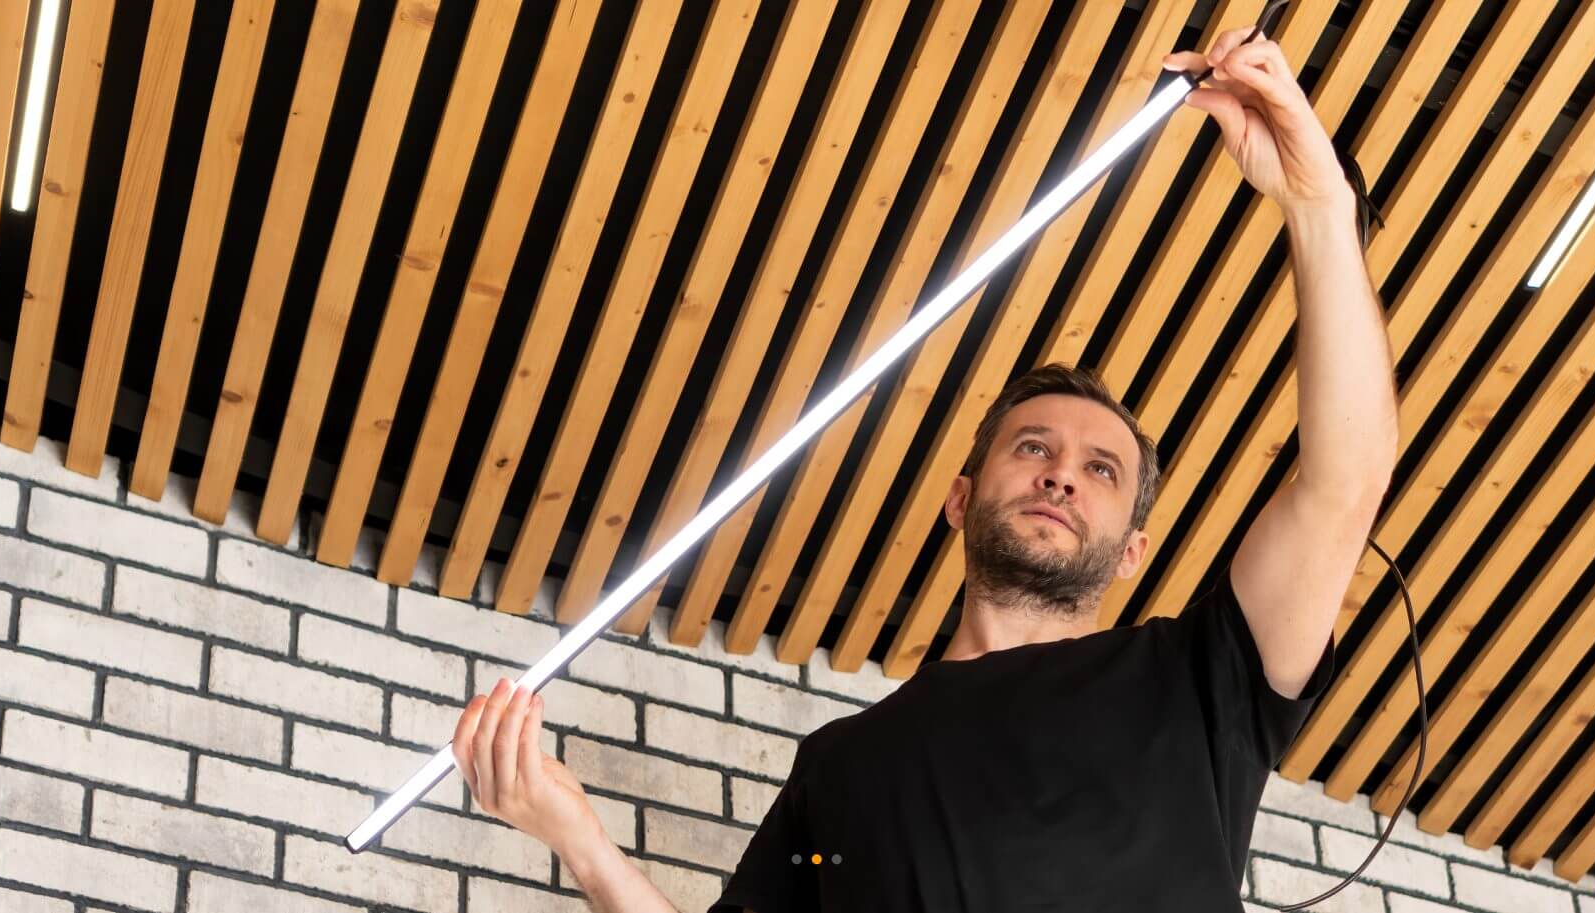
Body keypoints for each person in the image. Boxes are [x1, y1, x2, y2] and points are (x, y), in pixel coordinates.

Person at [449, 26, 1399, 913]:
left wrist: (1317, 205)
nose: (1061, 475)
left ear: (1131, 550)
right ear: (959, 498)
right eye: (1033, 448)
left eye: (1101, 471)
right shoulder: (842, 768)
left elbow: (1344, 480)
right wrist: (576, 836)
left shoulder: (1195, 686)